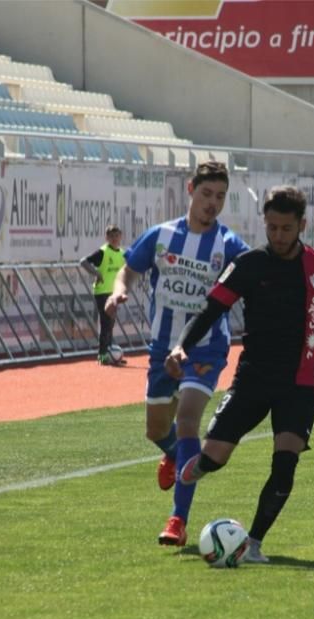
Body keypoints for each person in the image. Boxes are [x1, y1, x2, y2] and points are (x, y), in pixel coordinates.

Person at [166, 185, 314, 564]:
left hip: (301, 381)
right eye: (271, 227)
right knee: (216, 458)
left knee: (285, 461)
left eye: (286, 228)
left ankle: (253, 544)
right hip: (253, 378)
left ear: (301, 224)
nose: (278, 236)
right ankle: (191, 468)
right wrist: (182, 345)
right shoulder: (249, 264)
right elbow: (210, 310)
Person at [104, 161, 249, 547]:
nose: (212, 203)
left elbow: (256, 279)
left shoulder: (230, 245)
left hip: (207, 348)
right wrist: (120, 290)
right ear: (191, 189)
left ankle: (177, 520)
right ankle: (174, 455)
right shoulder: (162, 235)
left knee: (187, 421)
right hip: (161, 348)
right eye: (206, 194)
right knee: (156, 430)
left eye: (220, 197)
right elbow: (128, 270)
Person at [80, 225, 127, 366]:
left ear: (120, 237)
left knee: (110, 323)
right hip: (102, 292)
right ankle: (102, 355)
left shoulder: (121, 253)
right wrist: (96, 273)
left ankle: (110, 353)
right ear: (106, 238)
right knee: (106, 323)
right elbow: (83, 261)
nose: (114, 239)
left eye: (116, 236)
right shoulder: (103, 252)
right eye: (111, 236)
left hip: (114, 293)